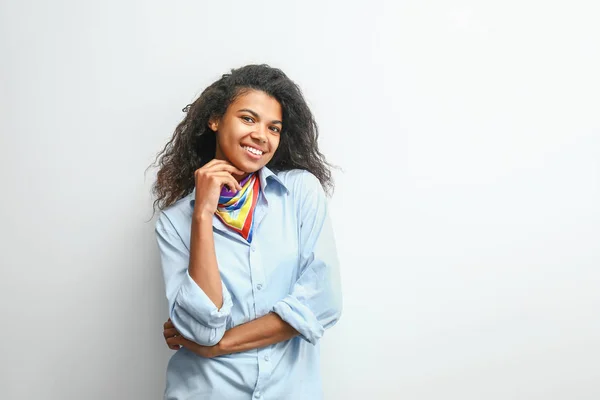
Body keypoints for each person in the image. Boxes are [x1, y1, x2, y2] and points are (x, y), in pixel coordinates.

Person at [151, 64, 343, 400]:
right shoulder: (174, 222)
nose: (261, 136)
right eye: (248, 118)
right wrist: (202, 215)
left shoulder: (299, 192)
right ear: (215, 120)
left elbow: (321, 304)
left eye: (274, 127)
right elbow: (201, 329)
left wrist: (220, 345)